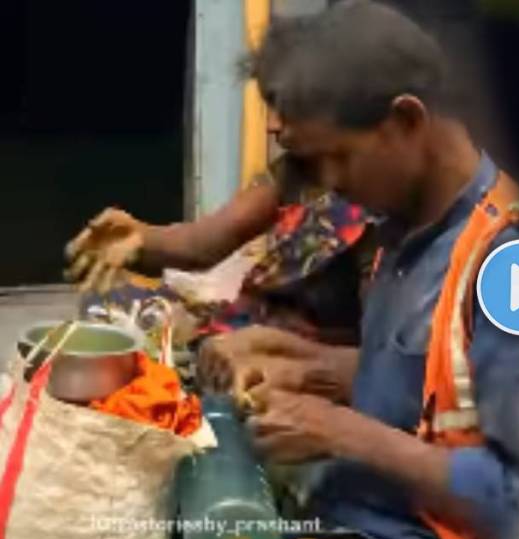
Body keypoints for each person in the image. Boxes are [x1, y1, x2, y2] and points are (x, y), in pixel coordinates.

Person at [159, 2, 519, 539]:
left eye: (337, 158)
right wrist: (294, 363)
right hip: (349, 519)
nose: (328, 186)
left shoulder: (513, 266)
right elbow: (425, 383)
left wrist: (336, 429)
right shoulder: (404, 226)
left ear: (407, 121)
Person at [65, 19, 372, 346]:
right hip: (247, 328)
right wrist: (141, 238)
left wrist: (282, 354)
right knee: (108, 301)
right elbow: (202, 244)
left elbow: (372, 347)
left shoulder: (377, 199)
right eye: (269, 106)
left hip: (295, 356)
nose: (271, 125)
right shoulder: (293, 172)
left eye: (286, 107)